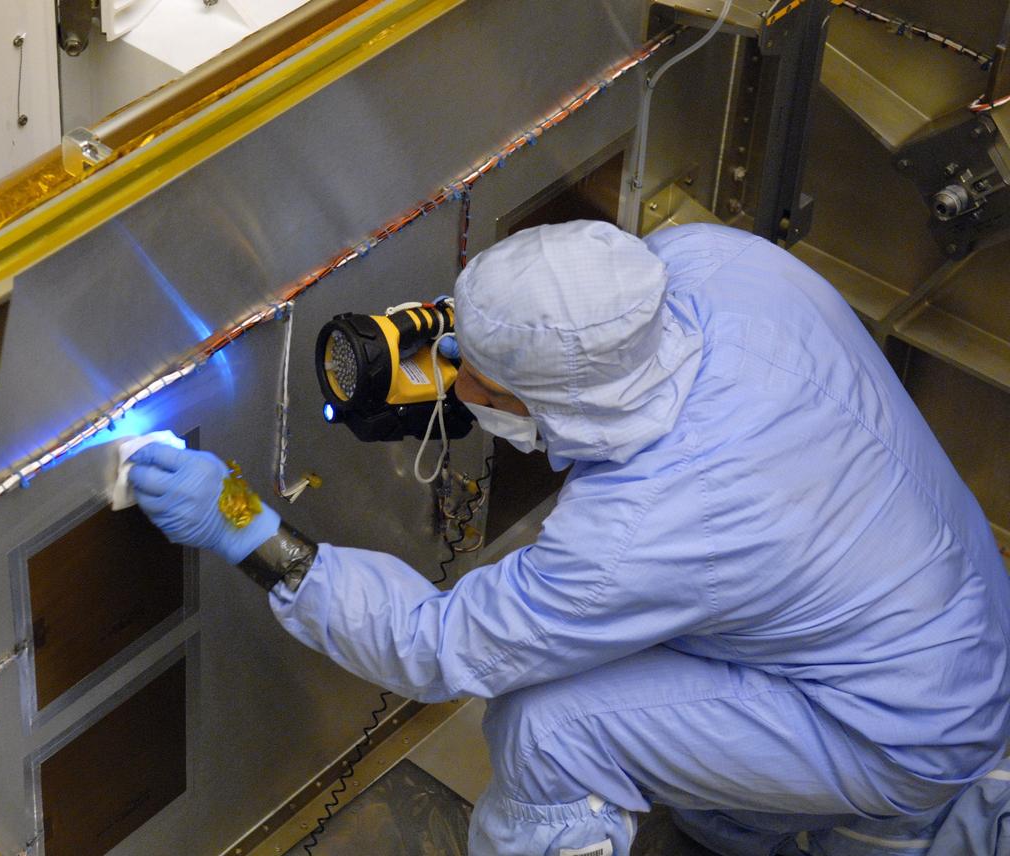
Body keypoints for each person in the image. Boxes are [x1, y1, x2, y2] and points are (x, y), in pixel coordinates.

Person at [126, 220, 1010, 856]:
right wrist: (496, 342)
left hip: (901, 733)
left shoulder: (637, 531)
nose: (458, 387)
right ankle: (744, 821)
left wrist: (241, 522)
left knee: (547, 729)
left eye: (480, 385)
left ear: (552, 404)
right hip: (961, 626)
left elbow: (431, 649)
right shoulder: (722, 262)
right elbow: (577, 321)